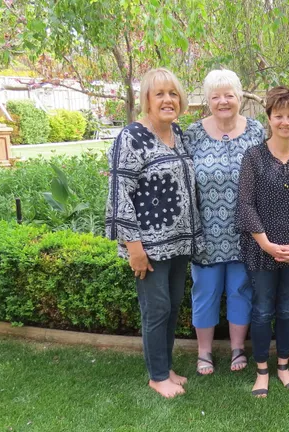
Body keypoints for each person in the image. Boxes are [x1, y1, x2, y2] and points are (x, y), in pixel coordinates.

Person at [105, 67, 202, 398]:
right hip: (148, 246)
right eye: (159, 94)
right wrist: (134, 248)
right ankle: (157, 376)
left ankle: (165, 367)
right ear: (146, 99)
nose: (168, 100)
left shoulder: (178, 134)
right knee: (156, 309)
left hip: (179, 243)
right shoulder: (131, 138)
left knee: (171, 307)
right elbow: (119, 195)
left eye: (173, 93)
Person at [237, 86, 289, 397]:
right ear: (269, 118)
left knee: (287, 310)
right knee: (262, 311)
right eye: (279, 116)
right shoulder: (253, 157)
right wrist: (266, 244)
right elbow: (245, 204)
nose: (285, 122)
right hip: (262, 249)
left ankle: (283, 367)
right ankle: (262, 371)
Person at [182, 69, 266, 376]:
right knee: (205, 292)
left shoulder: (256, 130)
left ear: (239, 97)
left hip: (245, 231)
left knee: (241, 290)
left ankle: (237, 348)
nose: (223, 101)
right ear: (208, 100)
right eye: (216, 96)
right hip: (206, 233)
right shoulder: (193, 133)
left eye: (229, 95)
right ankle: (204, 351)